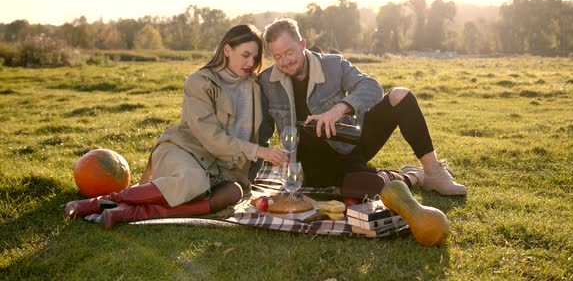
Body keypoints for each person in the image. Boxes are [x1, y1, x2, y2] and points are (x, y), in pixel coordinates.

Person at [65, 24, 288, 228]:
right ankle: (100, 203)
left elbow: (262, 134)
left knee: (232, 192)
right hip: (186, 151)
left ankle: (126, 213)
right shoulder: (199, 82)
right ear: (227, 50)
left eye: (255, 57)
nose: (250, 63)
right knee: (193, 181)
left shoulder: (255, 86)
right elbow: (210, 137)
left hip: (220, 168)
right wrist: (258, 151)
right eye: (245, 55)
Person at [257, 18, 466, 196]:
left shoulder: (333, 64)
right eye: (277, 57)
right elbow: (262, 131)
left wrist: (338, 109)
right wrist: (264, 155)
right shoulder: (266, 81)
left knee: (401, 95)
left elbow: (372, 88)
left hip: (350, 144)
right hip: (309, 164)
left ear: (302, 45)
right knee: (362, 188)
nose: (284, 61)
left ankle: (433, 172)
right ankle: (413, 176)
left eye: (289, 52)